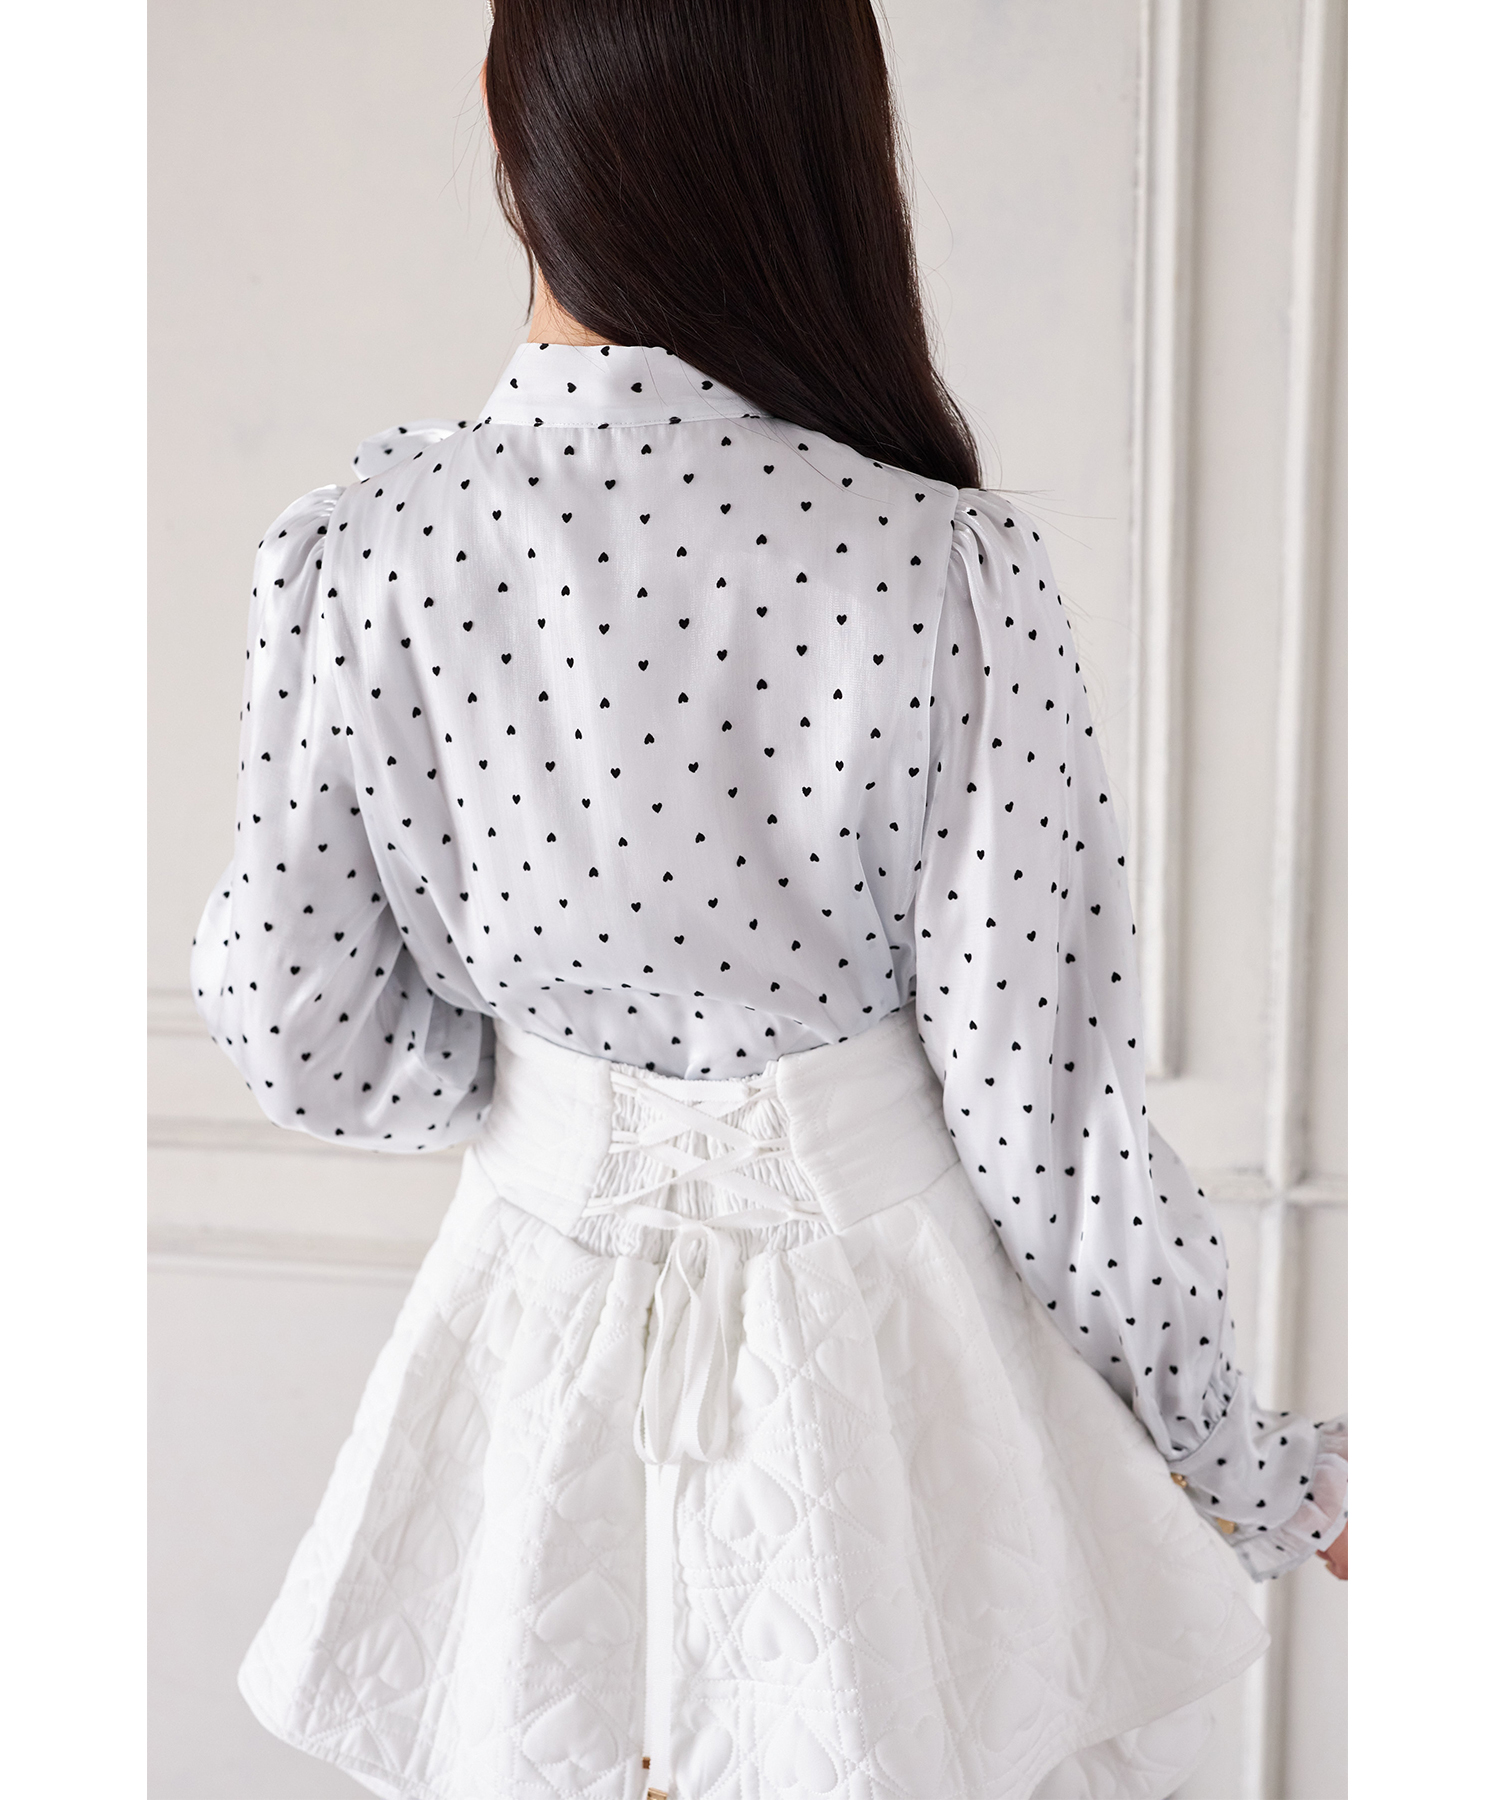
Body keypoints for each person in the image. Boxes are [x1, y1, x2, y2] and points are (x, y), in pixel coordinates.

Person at [190, 3, 1346, 1795]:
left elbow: (301, 1037)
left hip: (529, 1348)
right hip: (898, 1373)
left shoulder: (370, 553)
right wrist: (1262, 1472)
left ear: (510, 124)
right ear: (823, 151)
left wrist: (516, 1086)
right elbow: (1052, 1122)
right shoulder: (937, 564)